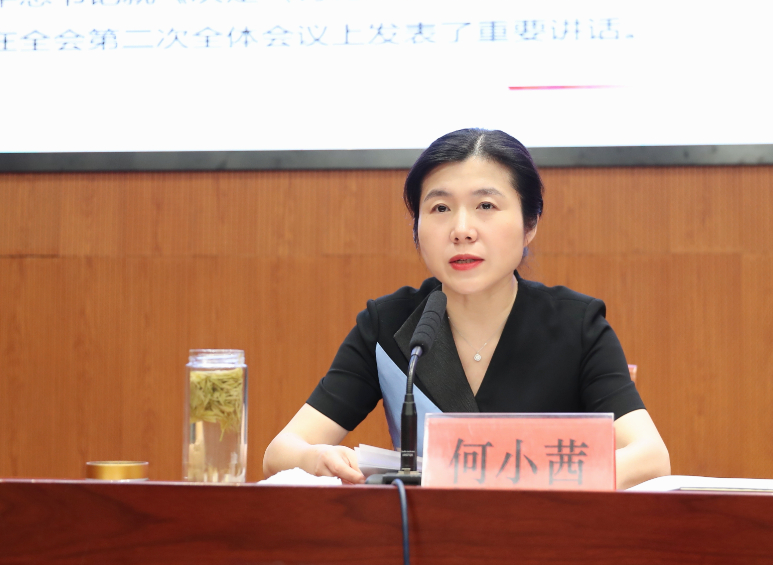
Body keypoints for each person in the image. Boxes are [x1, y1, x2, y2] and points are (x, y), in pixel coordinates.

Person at [263, 128, 670, 490]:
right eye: (440, 208)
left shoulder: (576, 326)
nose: (461, 230)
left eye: (486, 206)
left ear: (530, 224)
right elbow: (281, 451)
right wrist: (316, 459)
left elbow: (651, 457)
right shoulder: (388, 325)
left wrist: (526, 478)